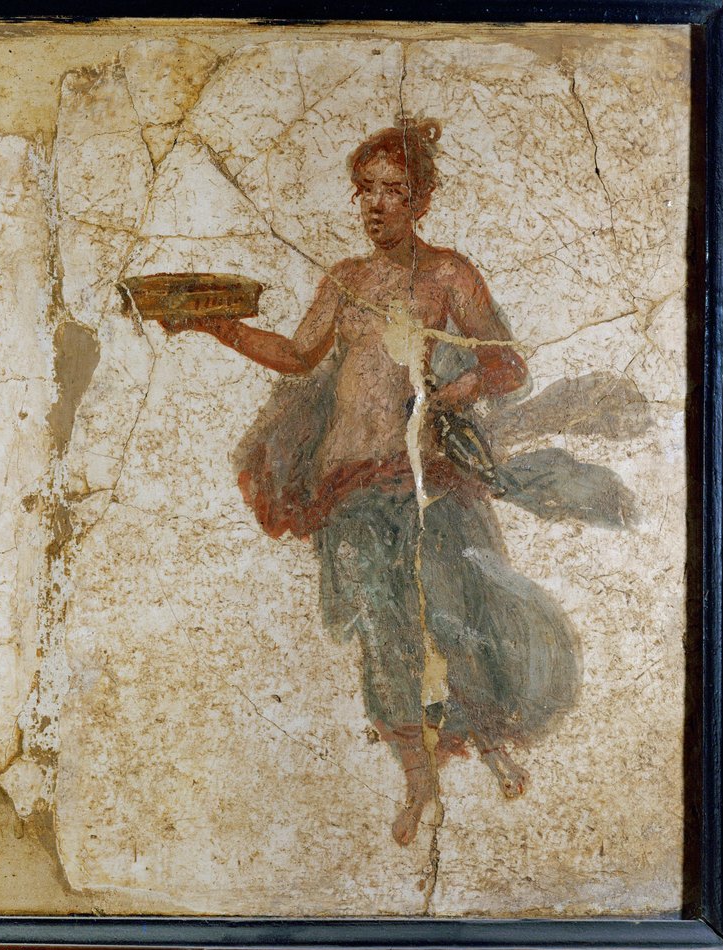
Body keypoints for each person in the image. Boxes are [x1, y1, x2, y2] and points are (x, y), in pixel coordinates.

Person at [163, 118, 581, 846]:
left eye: (394, 191)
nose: (377, 205)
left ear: (421, 200)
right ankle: (419, 783)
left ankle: (486, 739)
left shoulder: (449, 274)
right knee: (381, 632)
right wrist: (218, 327)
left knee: (452, 611)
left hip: (424, 478)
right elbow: (297, 355)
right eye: (366, 191)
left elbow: (509, 365)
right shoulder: (345, 281)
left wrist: (454, 392)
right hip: (349, 484)